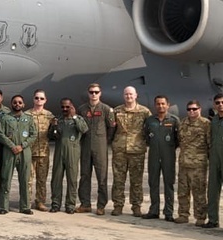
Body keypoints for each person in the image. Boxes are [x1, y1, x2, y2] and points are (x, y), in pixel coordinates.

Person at [111, 86, 150, 216]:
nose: (129, 96)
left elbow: (149, 128)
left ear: (136, 95)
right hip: (120, 150)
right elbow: (111, 129)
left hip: (136, 150)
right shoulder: (117, 111)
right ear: (123, 96)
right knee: (118, 179)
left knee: (136, 180)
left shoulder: (144, 112)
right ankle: (118, 205)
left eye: (131, 94)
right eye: (126, 94)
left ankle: (136, 206)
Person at [77, 83, 115, 215]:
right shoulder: (82, 109)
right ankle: (85, 204)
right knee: (84, 176)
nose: (94, 94)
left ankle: (101, 205)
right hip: (86, 145)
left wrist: (105, 141)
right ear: (88, 93)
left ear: (100, 93)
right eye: (91, 92)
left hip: (100, 146)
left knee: (102, 177)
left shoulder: (106, 109)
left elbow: (111, 127)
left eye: (96, 92)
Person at [0, 94, 37, 215]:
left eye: (20, 102)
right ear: (11, 104)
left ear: (23, 104)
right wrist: (12, 146)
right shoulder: (5, 118)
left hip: (24, 152)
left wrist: (22, 146)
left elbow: (33, 135)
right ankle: (3, 206)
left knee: (25, 180)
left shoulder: (29, 119)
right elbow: (0, 134)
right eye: (15, 102)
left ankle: (25, 206)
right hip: (9, 152)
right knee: (6, 178)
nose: (17, 104)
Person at [143, 94, 180, 220]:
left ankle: (168, 212)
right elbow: (147, 137)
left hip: (168, 155)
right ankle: (154, 210)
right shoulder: (150, 120)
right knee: (153, 182)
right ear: (155, 106)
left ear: (168, 105)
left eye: (163, 104)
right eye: (158, 104)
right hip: (154, 155)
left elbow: (178, 139)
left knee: (168, 183)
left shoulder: (174, 120)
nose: (161, 106)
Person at [48, 98, 88, 213]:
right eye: (63, 107)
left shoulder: (78, 119)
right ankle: (55, 204)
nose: (65, 109)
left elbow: (84, 129)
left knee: (72, 179)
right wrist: (54, 126)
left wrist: (74, 117)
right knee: (56, 179)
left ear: (72, 107)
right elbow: (51, 136)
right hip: (59, 152)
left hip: (73, 152)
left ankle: (70, 205)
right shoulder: (58, 120)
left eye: (67, 107)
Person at [203, 93, 223, 229]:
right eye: (217, 103)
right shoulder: (214, 120)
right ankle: (213, 219)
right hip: (215, 159)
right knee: (212, 191)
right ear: (214, 105)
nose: (220, 105)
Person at [175, 100, 210, 225]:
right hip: (184, 163)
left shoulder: (206, 124)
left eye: (194, 109)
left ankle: (200, 217)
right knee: (182, 191)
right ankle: (183, 214)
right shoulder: (183, 123)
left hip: (198, 164)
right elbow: (179, 140)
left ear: (199, 109)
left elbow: (209, 143)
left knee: (199, 191)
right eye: (189, 109)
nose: (191, 111)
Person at [26, 89, 56, 211]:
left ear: (45, 100)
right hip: (29, 152)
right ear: (33, 99)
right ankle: (26, 202)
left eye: (41, 98)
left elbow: (54, 131)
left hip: (43, 152)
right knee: (28, 179)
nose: (39, 100)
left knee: (42, 180)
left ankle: (40, 202)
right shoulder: (27, 115)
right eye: (37, 98)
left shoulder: (50, 116)